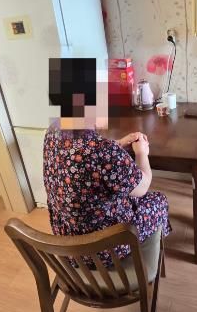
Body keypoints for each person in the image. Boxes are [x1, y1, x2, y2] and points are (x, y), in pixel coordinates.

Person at [44, 57, 171, 268]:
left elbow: (82, 158)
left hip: (68, 241)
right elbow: (142, 187)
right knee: (158, 200)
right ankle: (148, 257)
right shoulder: (103, 151)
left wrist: (117, 144)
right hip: (103, 247)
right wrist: (142, 153)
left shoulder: (53, 130)